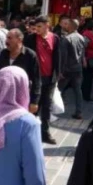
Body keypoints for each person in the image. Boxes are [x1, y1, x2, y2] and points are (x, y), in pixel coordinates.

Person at [23, 16, 62, 144]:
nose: (37, 29)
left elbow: (58, 57)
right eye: (36, 27)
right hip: (35, 78)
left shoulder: (55, 38)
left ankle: (45, 133)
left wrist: (58, 74)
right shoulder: (30, 39)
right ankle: (29, 132)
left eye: (40, 26)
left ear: (47, 25)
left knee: (47, 106)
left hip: (50, 77)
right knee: (33, 105)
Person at [0, 29, 41, 115]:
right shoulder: (3, 53)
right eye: (6, 38)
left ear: (19, 39)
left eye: (10, 38)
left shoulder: (30, 55)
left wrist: (34, 101)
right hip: (4, 97)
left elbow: (37, 80)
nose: (6, 41)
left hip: (22, 99)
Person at [60, 19, 88, 120]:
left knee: (58, 90)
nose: (66, 26)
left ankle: (52, 110)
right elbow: (82, 52)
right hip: (77, 68)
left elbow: (63, 57)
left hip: (67, 69)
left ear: (71, 26)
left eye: (67, 25)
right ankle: (79, 112)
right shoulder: (82, 38)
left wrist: (60, 71)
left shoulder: (66, 39)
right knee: (77, 90)